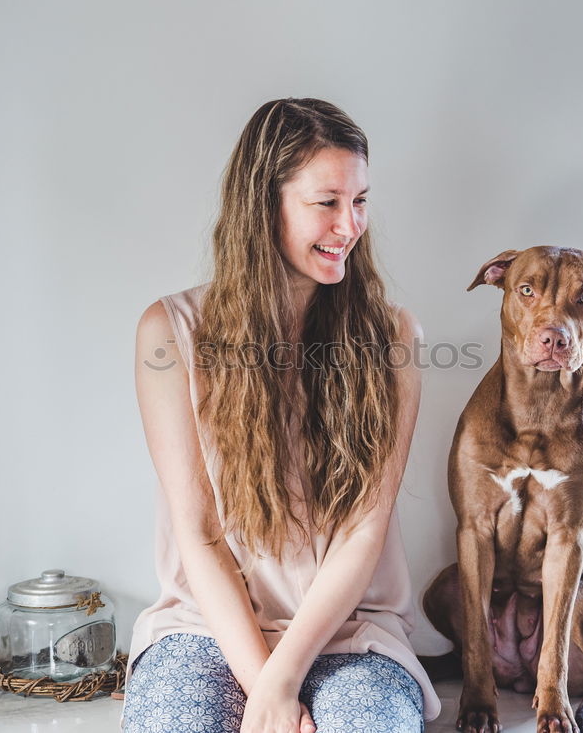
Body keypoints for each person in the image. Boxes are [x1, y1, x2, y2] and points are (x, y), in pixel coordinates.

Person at [124, 98, 441, 733]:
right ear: (263, 205)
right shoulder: (170, 332)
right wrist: (264, 688)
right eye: (326, 202)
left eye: (360, 201)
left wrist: (285, 676)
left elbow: (363, 532)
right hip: (204, 629)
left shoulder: (393, 337)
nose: (349, 225)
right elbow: (202, 535)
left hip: (352, 632)